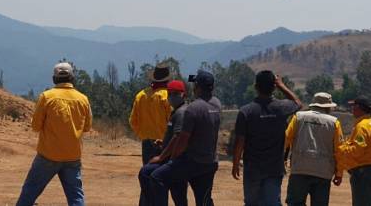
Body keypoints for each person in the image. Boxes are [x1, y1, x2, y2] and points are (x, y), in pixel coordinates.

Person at [16, 62, 92, 206]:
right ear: (72, 78)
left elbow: (35, 126)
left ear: (54, 79)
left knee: (29, 192)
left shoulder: (46, 97)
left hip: (48, 155)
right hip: (73, 155)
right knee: (76, 196)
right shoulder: (83, 99)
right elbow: (87, 127)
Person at [147, 70, 222, 206]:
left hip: (193, 161)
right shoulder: (217, 104)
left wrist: (172, 159)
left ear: (197, 87)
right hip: (210, 161)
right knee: (204, 199)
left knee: (156, 177)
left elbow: (182, 139)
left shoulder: (192, 109)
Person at [232, 70, 303, 206]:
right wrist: (282, 85)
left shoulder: (246, 111)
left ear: (256, 87)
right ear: (274, 87)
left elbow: (240, 141)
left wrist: (235, 164)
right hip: (274, 168)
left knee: (251, 203)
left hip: (252, 168)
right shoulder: (281, 108)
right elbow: (298, 103)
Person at [284, 92, 344, 206]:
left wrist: (281, 160)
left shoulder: (299, 117)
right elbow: (339, 150)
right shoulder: (334, 122)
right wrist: (339, 173)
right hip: (323, 171)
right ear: (328, 107)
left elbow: (286, 139)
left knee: (295, 203)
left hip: (300, 168)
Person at [138, 79, 189, 206]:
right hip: (171, 156)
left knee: (150, 175)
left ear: (184, 94)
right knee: (177, 193)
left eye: (176, 94)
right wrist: (164, 143)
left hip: (176, 160)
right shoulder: (176, 111)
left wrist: (161, 156)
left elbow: (177, 137)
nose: (172, 97)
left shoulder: (181, 113)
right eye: (170, 94)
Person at [338, 97, 371, 206]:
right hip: (369, 169)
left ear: (359, 108)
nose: (351, 108)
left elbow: (357, 150)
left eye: (353, 106)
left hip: (361, 171)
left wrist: (342, 149)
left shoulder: (362, 126)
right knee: (367, 200)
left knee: (362, 202)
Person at [130, 63, 173, 164]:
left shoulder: (140, 95)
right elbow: (174, 121)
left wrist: (143, 135)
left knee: (147, 174)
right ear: (167, 80)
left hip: (147, 143)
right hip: (165, 143)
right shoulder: (167, 96)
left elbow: (133, 121)